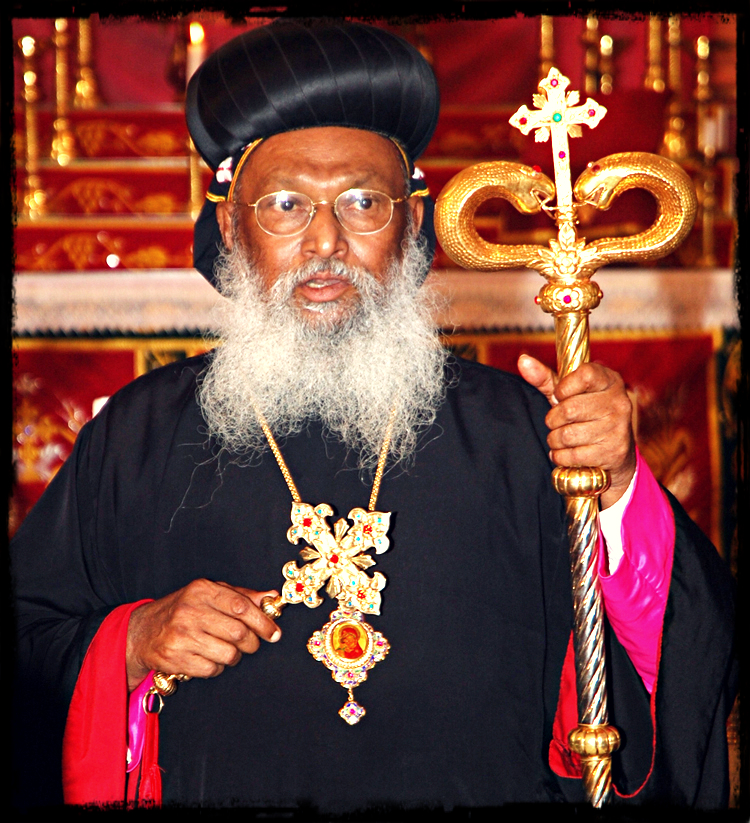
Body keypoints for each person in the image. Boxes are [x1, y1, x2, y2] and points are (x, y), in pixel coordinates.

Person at [11, 20, 736, 814]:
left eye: (362, 201)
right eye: (285, 204)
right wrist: (135, 638)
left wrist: (620, 489)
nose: (325, 239)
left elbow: (685, 648)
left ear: (413, 224)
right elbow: (30, 634)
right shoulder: (138, 433)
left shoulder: (519, 431)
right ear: (229, 227)